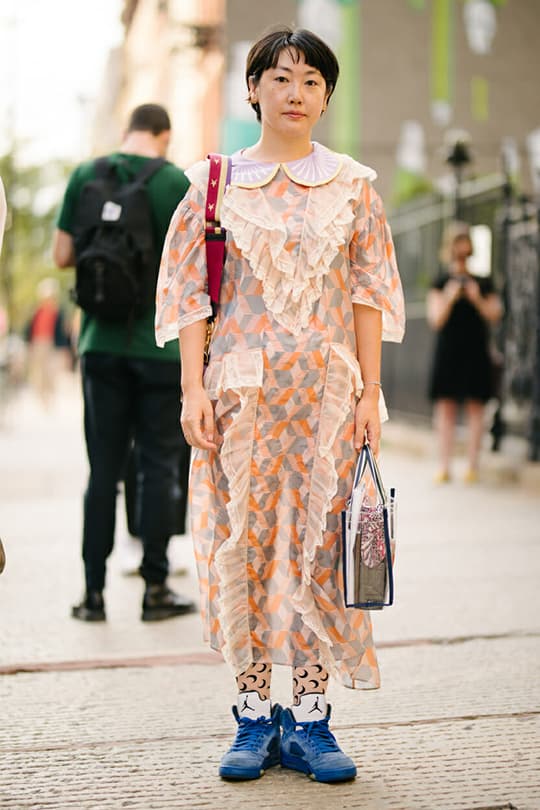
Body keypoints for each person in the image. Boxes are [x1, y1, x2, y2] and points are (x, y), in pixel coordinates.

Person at [156, 29, 405, 782]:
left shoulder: (354, 185)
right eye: (282, 78)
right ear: (254, 89)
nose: (296, 93)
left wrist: (371, 392)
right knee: (251, 552)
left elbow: (368, 293)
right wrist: (192, 389)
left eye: (311, 82)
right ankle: (252, 716)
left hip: (326, 406)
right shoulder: (213, 183)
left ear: (327, 97)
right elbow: (190, 294)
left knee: (318, 557)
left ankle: (313, 721)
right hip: (241, 406)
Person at [53, 103, 196, 622]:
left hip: (99, 345)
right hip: (157, 348)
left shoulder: (85, 176)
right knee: (158, 464)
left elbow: (62, 255)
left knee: (102, 471)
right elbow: (192, 265)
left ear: (126, 133)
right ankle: (155, 590)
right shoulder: (173, 182)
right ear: (165, 135)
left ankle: (91, 594)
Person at [427, 222, 502, 483]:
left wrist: (475, 297)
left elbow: (495, 314)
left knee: (476, 407)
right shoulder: (441, 280)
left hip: (474, 350)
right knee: (445, 408)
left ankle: (472, 466)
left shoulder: (482, 281)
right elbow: (435, 319)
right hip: (449, 350)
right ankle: (444, 466)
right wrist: (449, 296)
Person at [24, 277, 71, 407]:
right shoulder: (37, 311)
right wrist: (30, 343)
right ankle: (41, 396)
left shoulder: (58, 312)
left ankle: (49, 395)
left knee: (50, 371)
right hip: (38, 342)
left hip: (51, 343)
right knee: (38, 370)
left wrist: (64, 348)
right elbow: (30, 328)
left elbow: (63, 331)